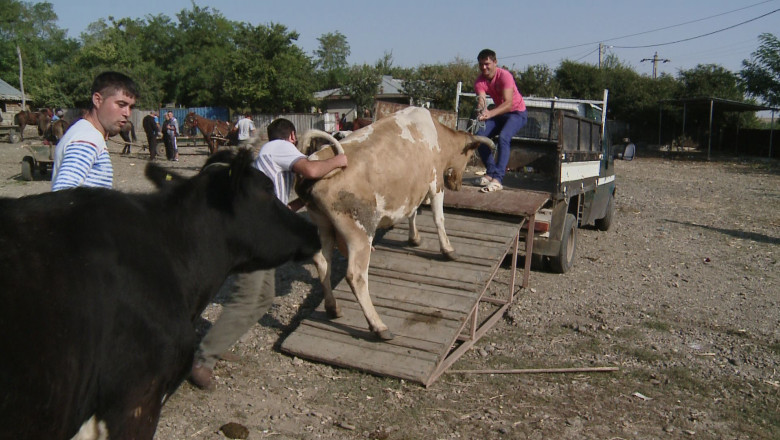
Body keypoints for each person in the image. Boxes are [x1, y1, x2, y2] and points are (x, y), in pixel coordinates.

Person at [190, 118, 348, 391]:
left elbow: (283, 205)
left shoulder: (269, 157)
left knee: (263, 298)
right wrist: (339, 160)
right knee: (248, 297)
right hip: (252, 232)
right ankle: (203, 360)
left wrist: (302, 202)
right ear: (292, 135)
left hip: (254, 229)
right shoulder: (279, 146)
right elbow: (310, 170)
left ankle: (217, 343)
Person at [51, 71, 138, 191]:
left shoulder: (82, 131)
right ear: (97, 100)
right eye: (121, 104)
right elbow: (62, 197)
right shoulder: (88, 138)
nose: (127, 113)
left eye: (131, 107)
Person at [473, 48, 527, 193]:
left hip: (517, 113)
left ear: (495, 62)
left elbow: (508, 103)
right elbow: (482, 100)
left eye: (487, 64)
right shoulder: (480, 80)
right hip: (500, 114)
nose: (484, 67)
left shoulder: (505, 76)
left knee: (504, 137)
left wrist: (489, 114)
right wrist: (481, 111)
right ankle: (490, 172)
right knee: (479, 137)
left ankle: (498, 179)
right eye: (481, 64)